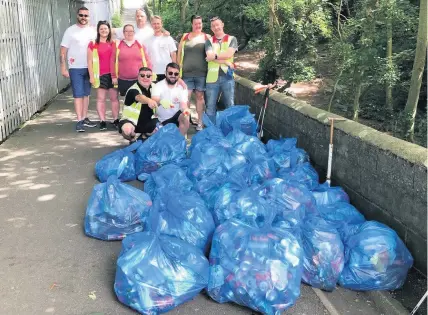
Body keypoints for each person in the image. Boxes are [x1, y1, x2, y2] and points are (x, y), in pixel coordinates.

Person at [60, 6, 97, 132]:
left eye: (86, 15)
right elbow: (63, 51)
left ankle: (85, 117)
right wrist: (63, 67)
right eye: (81, 15)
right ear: (77, 15)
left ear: (89, 17)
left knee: (86, 94)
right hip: (75, 67)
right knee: (78, 95)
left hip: (90, 67)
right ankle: (79, 120)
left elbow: (106, 35)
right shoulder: (70, 31)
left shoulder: (92, 31)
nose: (83, 18)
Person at [177, 15, 210, 131]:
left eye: (200, 23)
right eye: (196, 23)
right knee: (186, 98)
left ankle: (200, 122)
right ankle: (186, 122)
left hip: (201, 73)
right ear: (192, 24)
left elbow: (214, 51)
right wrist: (177, 69)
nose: (198, 25)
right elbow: (179, 53)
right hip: (186, 74)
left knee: (200, 98)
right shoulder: (185, 36)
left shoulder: (207, 37)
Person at [204, 16, 238, 124]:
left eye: (217, 24)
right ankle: (211, 131)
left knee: (230, 105)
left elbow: (229, 54)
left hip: (227, 77)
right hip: (212, 78)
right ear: (211, 28)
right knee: (210, 107)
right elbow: (209, 56)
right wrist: (226, 61)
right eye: (213, 26)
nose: (216, 27)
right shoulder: (208, 41)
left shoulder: (232, 39)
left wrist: (215, 57)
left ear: (222, 24)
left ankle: (230, 130)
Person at [87, 21, 119, 130]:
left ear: (109, 30)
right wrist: (91, 76)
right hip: (100, 75)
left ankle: (115, 120)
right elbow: (89, 61)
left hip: (113, 75)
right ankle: (102, 121)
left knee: (114, 98)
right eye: (101, 29)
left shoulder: (114, 43)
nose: (104, 31)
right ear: (98, 30)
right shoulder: (93, 44)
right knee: (101, 99)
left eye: (106, 28)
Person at [111, 24, 152, 97]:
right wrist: (113, 76)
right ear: (123, 33)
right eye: (126, 31)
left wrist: (148, 75)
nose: (129, 33)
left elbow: (147, 60)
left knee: (140, 103)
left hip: (139, 80)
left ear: (134, 33)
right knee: (127, 103)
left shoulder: (140, 45)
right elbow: (112, 61)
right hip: (123, 81)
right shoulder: (118, 45)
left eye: (131, 31)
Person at [118, 67, 158, 142]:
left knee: (162, 127)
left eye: (148, 76)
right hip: (132, 121)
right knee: (127, 130)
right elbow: (139, 97)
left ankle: (144, 136)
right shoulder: (133, 89)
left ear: (152, 77)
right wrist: (149, 100)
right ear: (138, 76)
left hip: (149, 121)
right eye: (142, 75)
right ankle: (132, 140)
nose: (145, 78)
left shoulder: (155, 87)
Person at [151, 63, 190, 136]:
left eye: (176, 74)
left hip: (177, 117)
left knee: (186, 117)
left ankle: (180, 140)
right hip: (162, 120)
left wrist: (186, 111)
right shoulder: (158, 86)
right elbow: (154, 99)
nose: (173, 75)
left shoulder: (182, 87)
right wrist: (161, 101)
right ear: (165, 73)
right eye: (170, 73)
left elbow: (183, 104)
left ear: (179, 75)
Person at [146, 16, 177, 83]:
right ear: (151, 25)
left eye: (158, 23)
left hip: (168, 72)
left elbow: (173, 54)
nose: (156, 25)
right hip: (153, 72)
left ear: (161, 24)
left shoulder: (168, 38)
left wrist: (175, 69)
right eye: (154, 24)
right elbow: (146, 57)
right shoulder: (147, 40)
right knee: (154, 92)